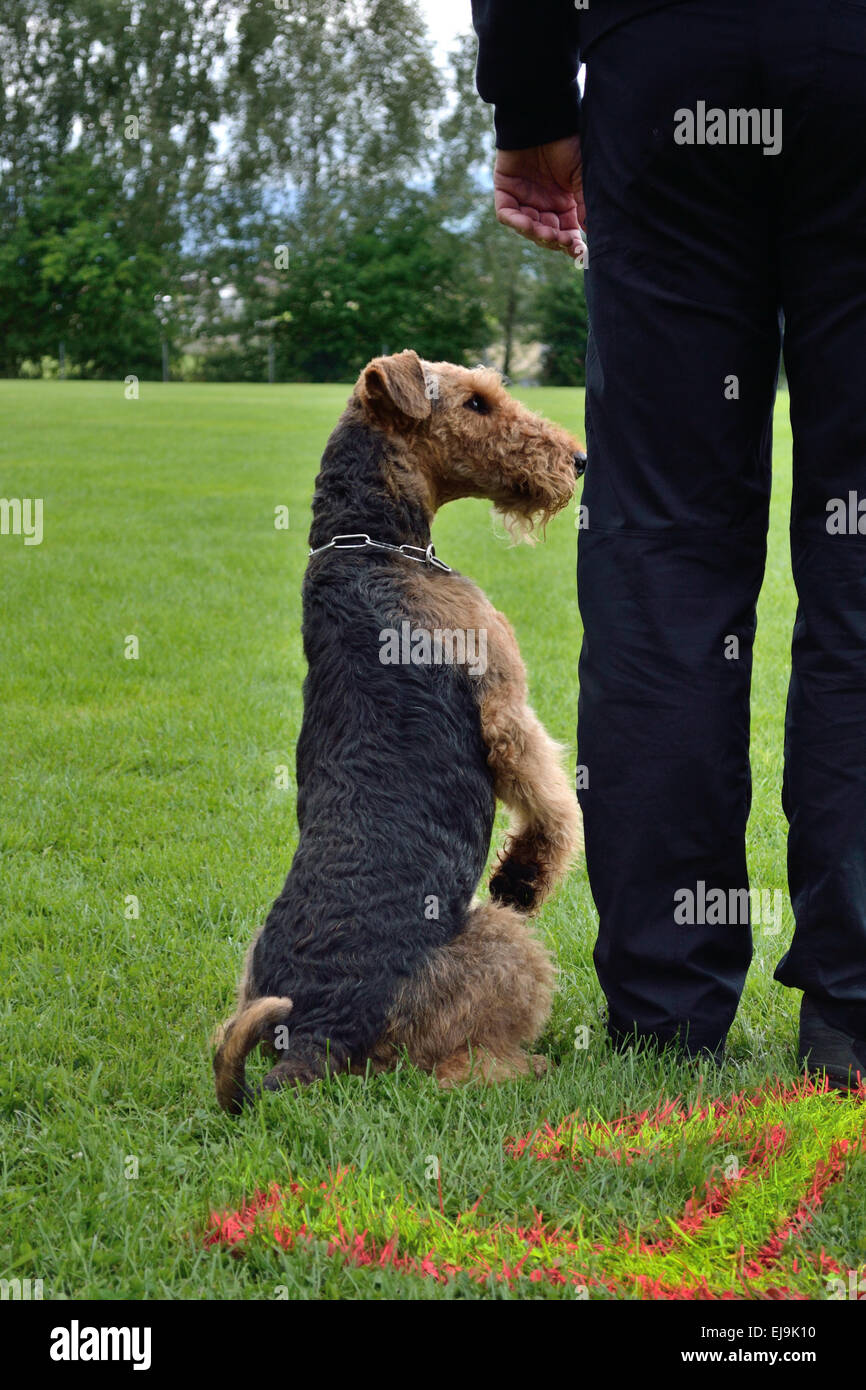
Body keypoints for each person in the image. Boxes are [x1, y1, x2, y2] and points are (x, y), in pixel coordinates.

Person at [471, 0, 866, 1088]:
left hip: (666, 56)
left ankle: (666, 1007)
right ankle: (853, 1015)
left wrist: (532, 98)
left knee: (664, 545)